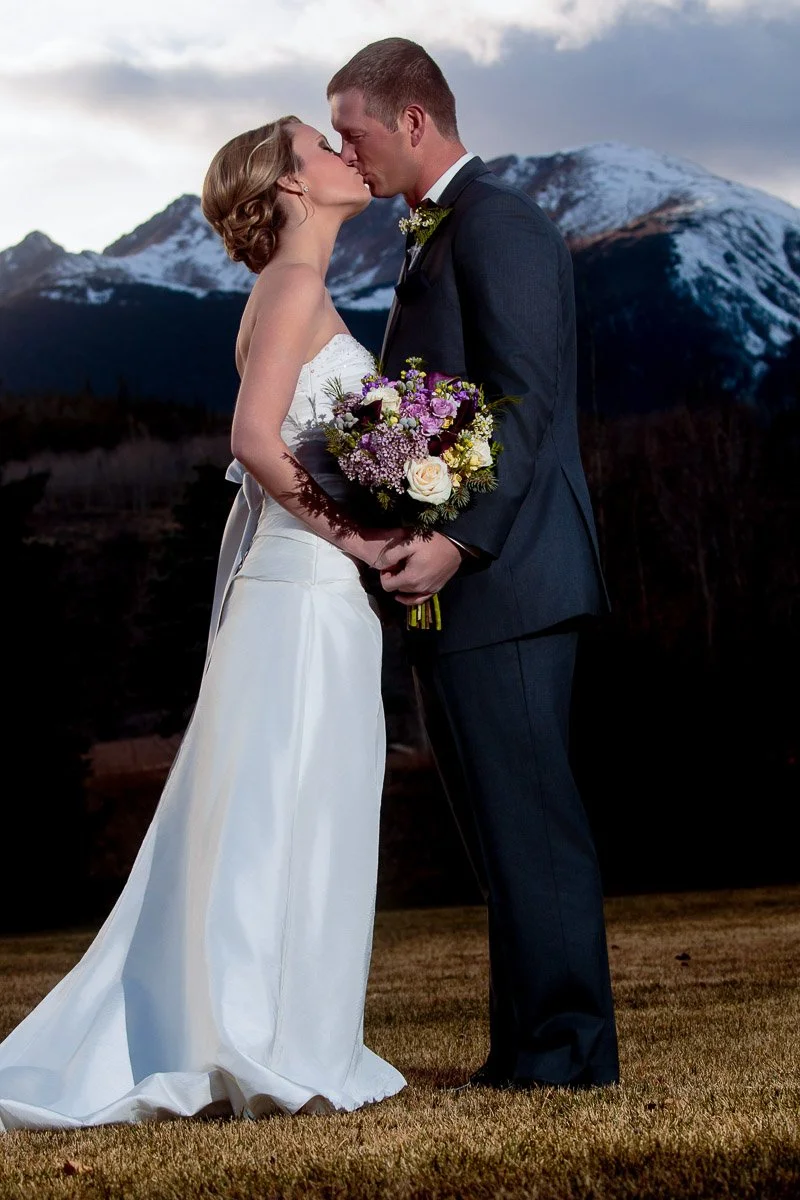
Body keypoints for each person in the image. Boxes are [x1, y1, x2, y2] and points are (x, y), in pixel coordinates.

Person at [0, 116, 407, 1131]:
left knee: (306, 806)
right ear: (286, 188)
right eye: (322, 147)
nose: (344, 157)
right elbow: (253, 441)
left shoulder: (294, 292)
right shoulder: (293, 290)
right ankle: (253, 1040)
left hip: (313, 595)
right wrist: (359, 539)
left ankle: (292, 1030)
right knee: (280, 812)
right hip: (303, 594)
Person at [328, 39, 620, 1090]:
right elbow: (443, 409)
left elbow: (525, 400)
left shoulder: (498, 224)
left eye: (352, 132)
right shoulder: (435, 235)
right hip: (459, 589)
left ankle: (569, 1058)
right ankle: (526, 1052)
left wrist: (456, 540)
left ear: (412, 121)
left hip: (508, 578)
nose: (343, 151)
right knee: (500, 838)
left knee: (534, 830)